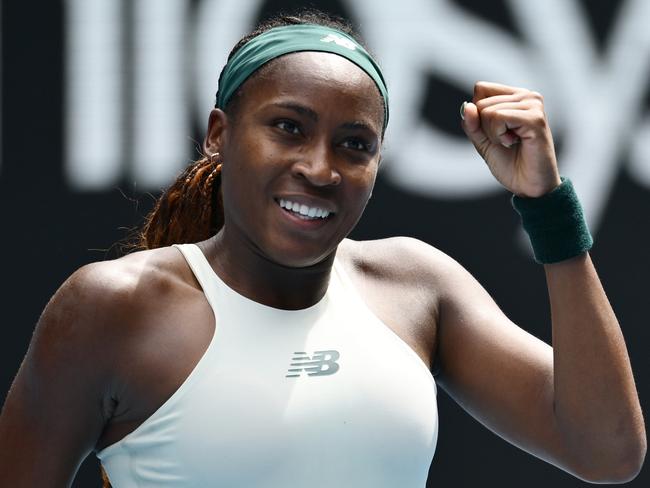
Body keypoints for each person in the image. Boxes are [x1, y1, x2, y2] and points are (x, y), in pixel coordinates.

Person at [0, 10, 646, 488]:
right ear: (218, 136)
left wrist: (546, 206)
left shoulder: (417, 286)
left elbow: (607, 452)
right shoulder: (111, 307)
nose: (320, 167)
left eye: (354, 144)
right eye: (288, 128)